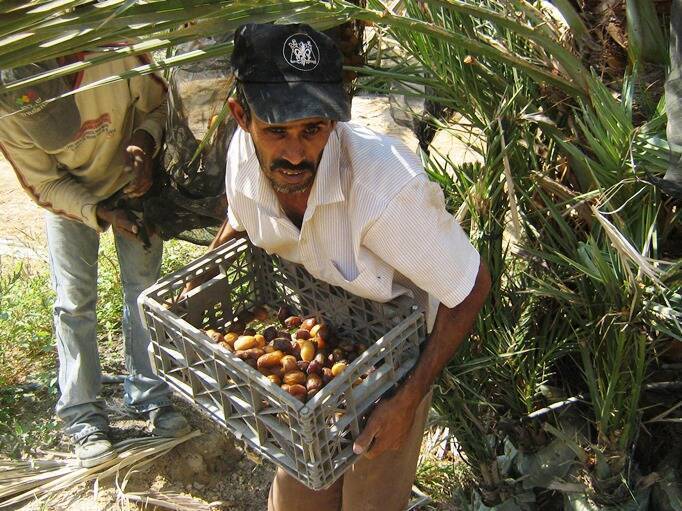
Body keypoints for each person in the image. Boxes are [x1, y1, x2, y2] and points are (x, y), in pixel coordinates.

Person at [195, 22, 491, 511]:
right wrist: (203, 282)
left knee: (368, 497)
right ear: (241, 117)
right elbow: (241, 218)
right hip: (318, 320)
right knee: (298, 496)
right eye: (276, 131)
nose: (295, 154)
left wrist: (407, 400)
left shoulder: (384, 189)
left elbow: (471, 285)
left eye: (312, 129)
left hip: (393, 356)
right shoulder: (242, 158)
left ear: (334, 121)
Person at [0, 53, 189, 468]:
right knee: (74, 302)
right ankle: (83, 415)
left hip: (133, 182)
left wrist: (143, 144)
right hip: (70, 195)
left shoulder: (114, 54)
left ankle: (151, 396)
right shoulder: (7, 102)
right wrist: (98, 211)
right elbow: (45, 181)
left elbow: (160, 105)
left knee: (145, 294)